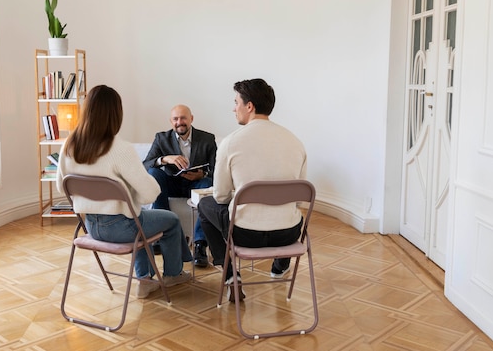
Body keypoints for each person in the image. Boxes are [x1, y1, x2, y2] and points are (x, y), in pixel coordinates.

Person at [56, 85, 192, 299]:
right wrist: (135, 192)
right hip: (123, 228)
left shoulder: (69, 145)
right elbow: (149, 195)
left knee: (139, 218)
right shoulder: (120, 149)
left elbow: (61, 186)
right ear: (115, 114)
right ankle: (173, 274)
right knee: (169, 220)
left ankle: (145, 279)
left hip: (90, 226)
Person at [197, 78, 307, 302]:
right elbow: (298, 199)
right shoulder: (295, 142)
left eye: (236, 102)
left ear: (250, 106)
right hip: (288, 234)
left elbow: (220, 195)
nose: (233, 107)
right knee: (289, 212)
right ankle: (280, 265)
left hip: (245, 235)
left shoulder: (231, 142)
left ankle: (230, 276)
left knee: (204, 205)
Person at [143, 104, 216, 268]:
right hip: (172, 183)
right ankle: (163, 234)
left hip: (196, 184)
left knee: (208, 183)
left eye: (183, 118)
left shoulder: (207, 139)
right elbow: (146, 164)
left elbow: (216, 169)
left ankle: (200, 245)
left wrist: (203, 174)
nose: (179, 122)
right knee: (154, 174)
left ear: (191, 119)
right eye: (175, 119)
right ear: (171, 122)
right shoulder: (161, 138)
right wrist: (165, 159)